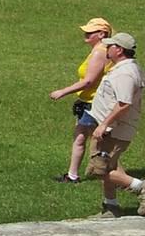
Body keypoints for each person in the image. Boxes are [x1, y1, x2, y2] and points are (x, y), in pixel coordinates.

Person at [86, 33, 144, 218]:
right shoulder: (125, 68)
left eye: (110, 46)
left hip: (113, 130)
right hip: (112, 128)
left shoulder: (125, 73)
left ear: (119, 50)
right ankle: (110, 208)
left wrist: (104, 124)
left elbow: (123, 103)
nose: (107, 48)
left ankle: (140, 187)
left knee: (99, 168)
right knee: (109, 168)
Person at [49, 17, 114, 183]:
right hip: (91, 101)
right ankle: (75, 174)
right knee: (85, 139)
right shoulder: (100, 49)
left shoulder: (100, 51)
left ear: (101, 34)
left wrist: (62, 92)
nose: (86, 34)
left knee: (94, 142)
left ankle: (114, 177)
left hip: (93, 103)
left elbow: (88, 81)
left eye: (90, 32)